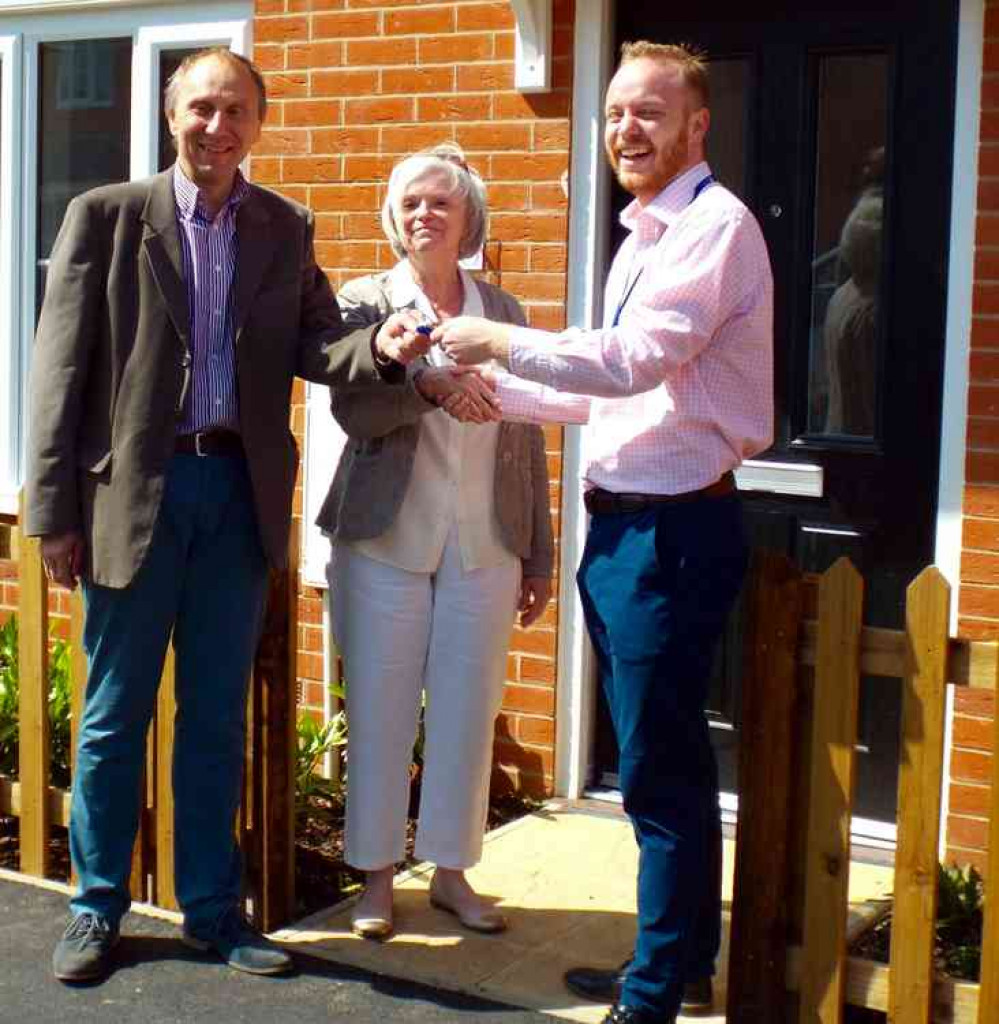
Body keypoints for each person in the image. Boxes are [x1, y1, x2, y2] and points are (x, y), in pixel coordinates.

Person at [24, 47, 414, 984]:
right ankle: (96, 907)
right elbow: (60, 372)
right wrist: (53, 514)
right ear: (171, 115)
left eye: (235, 110)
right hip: (131, 499)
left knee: (214, 720)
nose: (218, 126)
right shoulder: (108, 218)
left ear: (257, 123)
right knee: (114, 717)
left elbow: (322, 343)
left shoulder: (283, 226)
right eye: (202, 107)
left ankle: (210, 910)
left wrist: (387, 346)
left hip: (235, 499)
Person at [430, 43, 774, 1024]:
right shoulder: (644, 235)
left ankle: (654, 993)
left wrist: (501, 338)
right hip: (625, 531)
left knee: (658, 778)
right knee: (663, 764)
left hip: (670, 537)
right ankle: (679, 964)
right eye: (617, 112)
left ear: (696, 127)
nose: (628, 128)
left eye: (649, 113)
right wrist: (495, 394)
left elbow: (630, 361)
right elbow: (620, 400)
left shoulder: (713, 228)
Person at [316, 144, 554, 941]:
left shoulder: (504, 310)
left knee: (466, 708)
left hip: (486, 541)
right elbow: (353, 413)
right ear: (394, 216)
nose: (425, 215)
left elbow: (527, 437)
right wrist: (424, 389)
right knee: (380, 708)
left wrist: (539, 554)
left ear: (467, 219)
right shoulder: (364, 300)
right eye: (411, 202)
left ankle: (452, 873)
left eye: (440, 203)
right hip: (385, 536)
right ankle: (377, 882)